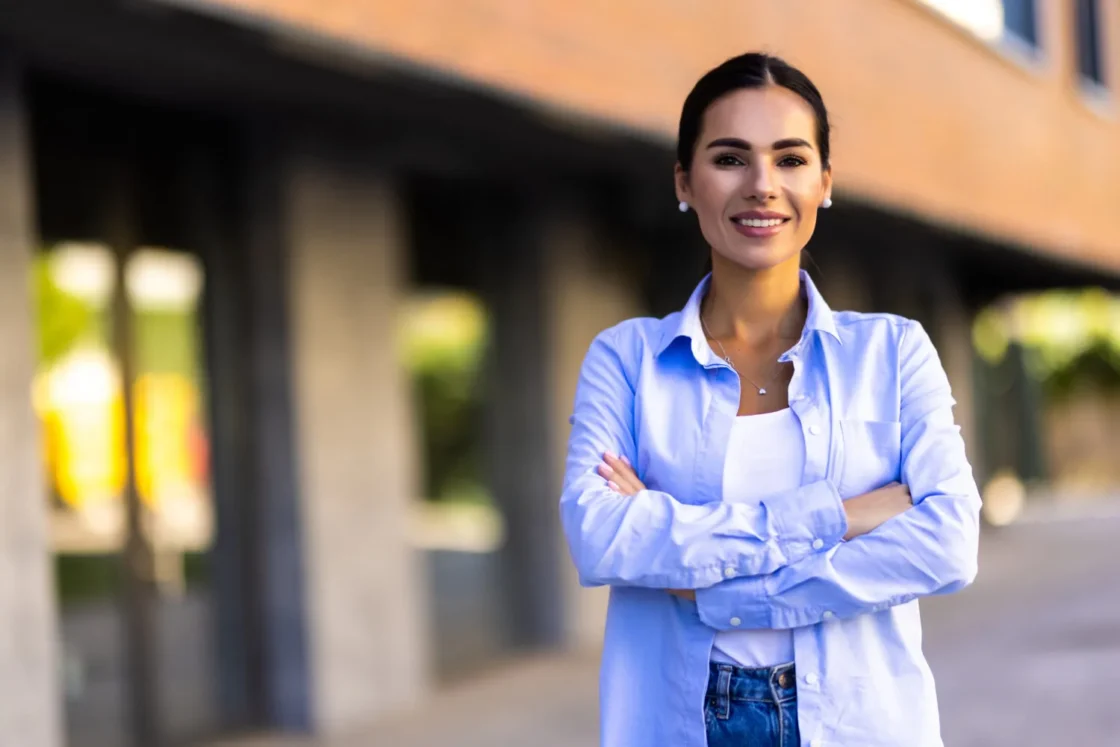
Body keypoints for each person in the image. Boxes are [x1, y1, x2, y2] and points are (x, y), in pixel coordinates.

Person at [559, 52, 981, 747]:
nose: (762, 186)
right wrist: (837, 515)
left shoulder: (893, 352)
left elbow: (947, 543)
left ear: (824, 182)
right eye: (730, 159)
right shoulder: (627, 361)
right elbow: (602, 536)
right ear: (684, 182)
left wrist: (714, 584)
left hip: (858, 727)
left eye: (790, 159)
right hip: (678, 724)